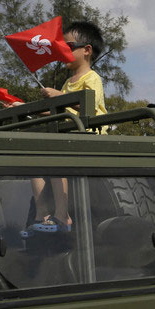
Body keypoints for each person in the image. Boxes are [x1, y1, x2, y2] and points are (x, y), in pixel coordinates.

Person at [32, 21, 108, 233]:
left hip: (90, 134)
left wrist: (60, 96)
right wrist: (29, 108)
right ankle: (41, 213)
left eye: (68, 46)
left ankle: (62, 215)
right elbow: (61, 111)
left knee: (57, 163)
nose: (62, 51)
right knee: (33, 165)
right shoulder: (68, 83)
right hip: (69, 134)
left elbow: (88, 105)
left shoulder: (92, 78)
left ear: (87, 50)